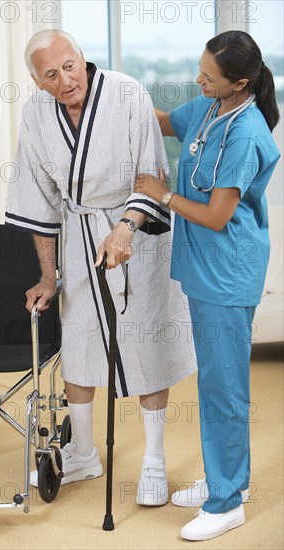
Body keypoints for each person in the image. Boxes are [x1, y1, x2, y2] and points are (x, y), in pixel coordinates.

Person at [5, 29, 196, 505]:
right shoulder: (35, 114)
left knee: (147, 337)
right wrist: (49, 277)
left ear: (81, 57)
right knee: (81, 340)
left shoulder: (127, 92)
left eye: (69, 65)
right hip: (79, 233)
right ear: (36, 81)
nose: (66, 79)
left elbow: (152, 173)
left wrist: (125, 229)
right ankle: (84, 452)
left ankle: (154, 460)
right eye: (51, 74)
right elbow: (39, 200)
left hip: (139, 229)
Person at [134, 30, 280, 539]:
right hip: (203, 270)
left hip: (227, 273)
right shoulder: (207, 107)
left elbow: (217, 216)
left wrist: (162, 194)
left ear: (240, 83)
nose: (198, 81)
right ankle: (229, 482)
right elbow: (162, 120)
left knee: (223, 389)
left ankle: (226, 503)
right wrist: (108, 91)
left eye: (209, 76)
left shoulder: (247, 132)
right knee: (214, 382)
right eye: (199, 68)